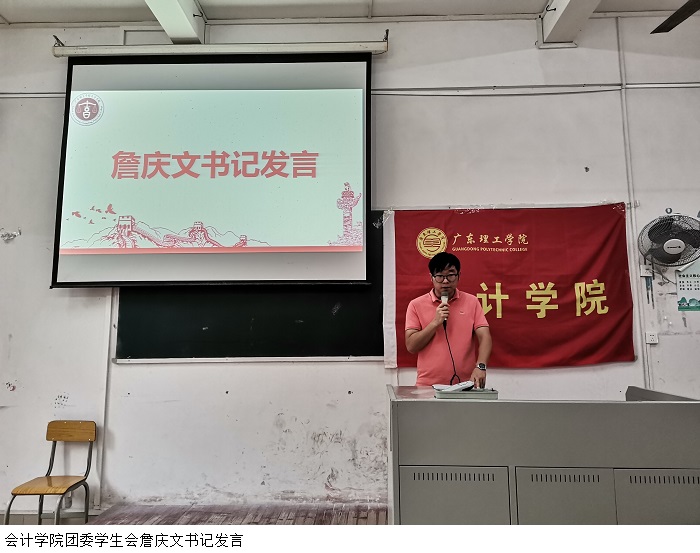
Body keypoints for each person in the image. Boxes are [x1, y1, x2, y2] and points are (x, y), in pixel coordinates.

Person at [405, 252, 492, 388]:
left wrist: (481, 366)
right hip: (428, 385)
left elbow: (485, 336)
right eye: (440, 276)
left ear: (459, 276)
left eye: (451, 275)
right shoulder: (416, 305)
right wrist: (435, 323)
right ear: (431, 277)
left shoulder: (472, 302)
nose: (445, 281)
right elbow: (411, 346)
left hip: (466, 384)